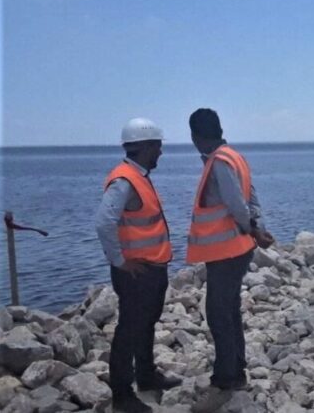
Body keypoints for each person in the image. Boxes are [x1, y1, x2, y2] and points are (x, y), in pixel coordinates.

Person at [186, 108, 274, 412]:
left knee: (219, 314)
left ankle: (226, 380)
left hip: (227, 251)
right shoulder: (235, 156)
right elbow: (253, 198)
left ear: (196, 137)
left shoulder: (219, 162)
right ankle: (237, 370)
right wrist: (259, 228)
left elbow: (237, 204)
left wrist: (253, 229)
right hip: (238, 248)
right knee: (230, 310)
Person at [95, 118, 181, 413]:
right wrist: (120, 260)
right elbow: (103, 222)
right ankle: (122, 395)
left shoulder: (137, 176)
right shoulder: (124, 180)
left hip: (151, 267)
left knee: (146, 323)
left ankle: (146, 376)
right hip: (136, 272)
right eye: (157, 147)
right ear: (145, 147)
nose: (160, 153)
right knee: (130, 329)